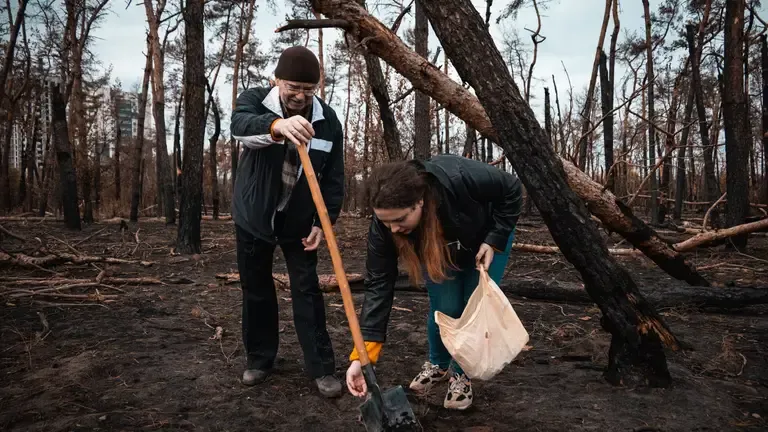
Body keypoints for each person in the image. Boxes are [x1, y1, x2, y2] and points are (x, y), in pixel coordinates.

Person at [345, 154, 523, 410]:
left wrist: (495, 238)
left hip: (486, 236)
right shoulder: (385, 228)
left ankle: (460, 374)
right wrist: (363, 357)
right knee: (445, 305)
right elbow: (379, 285)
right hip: (438, 245)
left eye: (399, 220)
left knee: (471, 307)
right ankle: (438, 365)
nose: (393, 229)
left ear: (420, 202)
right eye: (385, 222)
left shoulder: (459, 178)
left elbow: (512, 188)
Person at [229, 46, 345, 398]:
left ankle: (322, 368)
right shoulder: (255, 101)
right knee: (257, 288)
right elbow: (239, 128)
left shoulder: (328, 120)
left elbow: (334, 178)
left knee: (307, 291)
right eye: (292, 86)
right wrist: (277, 126)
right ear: (276, 80)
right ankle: (260, 359)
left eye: (308, 89)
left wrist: (323, 225)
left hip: (298, 221)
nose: (299, 95)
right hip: (254, 215)